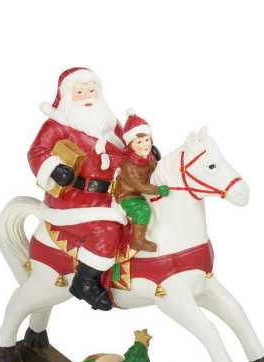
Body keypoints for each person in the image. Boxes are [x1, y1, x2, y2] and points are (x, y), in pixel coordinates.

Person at [27, 67, 126, 310]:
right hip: (76, 198)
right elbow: (37, 151)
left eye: (92, 91)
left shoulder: (110, 124)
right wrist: (54, 168)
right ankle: (85, 281)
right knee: (107, 229)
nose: (87, 96)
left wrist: (145, 153)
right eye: (80, 92)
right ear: (67, 95)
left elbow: (129, 147)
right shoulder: (57, 126)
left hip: (113, 193)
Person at [113, 111, 169, 251]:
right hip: (129, 195)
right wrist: (157, 190)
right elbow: (139, 185)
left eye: (147, 140)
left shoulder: (150, 157)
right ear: (130, 145)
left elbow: (155, 170)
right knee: (142, 209)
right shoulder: (129, 165)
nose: (144, 145)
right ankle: (137, 241)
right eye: (139, 142)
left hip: (145, 191)